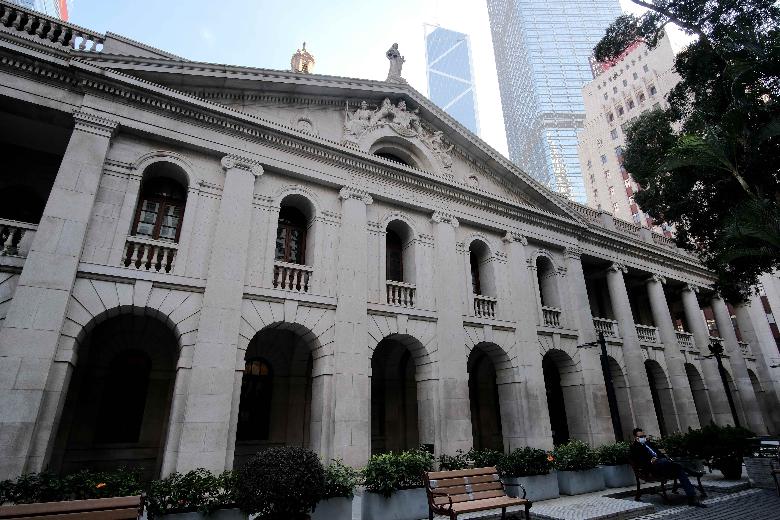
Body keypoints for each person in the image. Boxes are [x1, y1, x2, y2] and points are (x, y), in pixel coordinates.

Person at [630, 427, 706, 507]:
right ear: (636, 438)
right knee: (675, 466)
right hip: (653, 468)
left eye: (644, 436)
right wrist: (651, 461)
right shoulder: (635, 447)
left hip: (664, 465)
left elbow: (659, 453)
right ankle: (690, 474)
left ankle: (692, 497)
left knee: (677, 468)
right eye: (641, 437)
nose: (643, 438)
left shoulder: (649, 444)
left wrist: (661, 458)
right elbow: (640, 461)